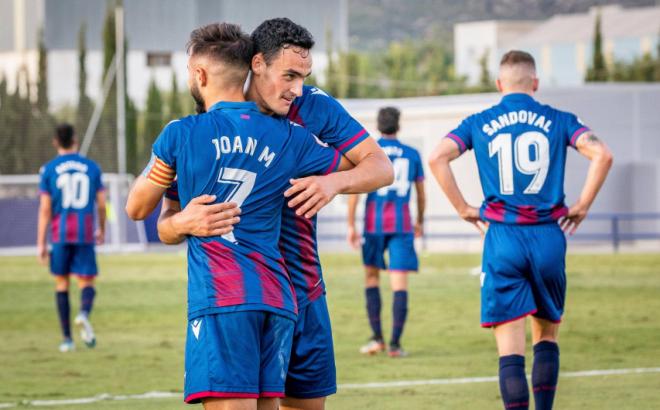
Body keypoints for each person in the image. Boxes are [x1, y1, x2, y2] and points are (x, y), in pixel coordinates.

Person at [156, 18, 393, 410]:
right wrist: (182, 223)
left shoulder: (312, 106)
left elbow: (381, 166)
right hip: (239, 297)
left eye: (303, 76)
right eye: (289, 76)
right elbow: (166, 217)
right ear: (256, 64)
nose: (296, 89)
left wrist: (333, 183)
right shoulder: (207, 119)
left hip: (303, 291)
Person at [428, 50, 613, 410]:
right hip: (548, 235)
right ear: (536, 83)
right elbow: (602, 155)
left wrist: (464, 208)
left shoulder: (480, 121)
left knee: (510, 348)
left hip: (502, 238)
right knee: (546, 337)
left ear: (500, 85)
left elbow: (437, 157)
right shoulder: (560, 119)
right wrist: (583, 206)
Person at [346, 107, 425, 357]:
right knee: (399, 285)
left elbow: (355, 191)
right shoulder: (412, 154)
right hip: (401, 225)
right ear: (398, 125)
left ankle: (377, 339)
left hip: (373, 225)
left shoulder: (370, 153)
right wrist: (419, 221)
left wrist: (351, 225)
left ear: (378, 126)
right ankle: (395, 345)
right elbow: (421, 193)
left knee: (371, 279)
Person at [37, 123, 105, 352]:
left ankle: (67, 340)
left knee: (62, 284)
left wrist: (40, 243)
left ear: (56, 141)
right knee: (86, 282)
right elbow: (102, 204)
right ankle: (84, 313)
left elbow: (45, 209)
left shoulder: (48, 169)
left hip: (60, 235)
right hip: (85, 233)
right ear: (75, 139)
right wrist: (102, 229)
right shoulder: (92, 167)